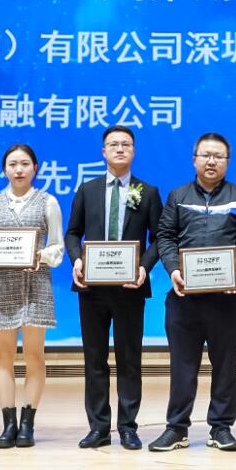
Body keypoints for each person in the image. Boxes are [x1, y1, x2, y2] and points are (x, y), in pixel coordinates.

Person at [150, 133, 236, 453]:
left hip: (227, 298)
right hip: (184, 298)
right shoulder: (178, 195)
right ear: (194, 159)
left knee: (225, 364)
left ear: (227, 161)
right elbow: (165, 237)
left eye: (218, 156)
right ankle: (177, 428)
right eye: (206, 155)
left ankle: (221, 428)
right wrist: (174, 270)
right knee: (182, 366)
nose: (212, 161)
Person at [64, 125, 164, 451]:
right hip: (91, 288)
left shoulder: (148, 192)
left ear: (133, 151)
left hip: (130, 288)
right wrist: (77, 260)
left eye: (126, 144)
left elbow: (159, 238)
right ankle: (99, 428)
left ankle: (128, 427)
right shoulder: (87, 189)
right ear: (103, 152)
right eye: (113, 144)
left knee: (129, 360)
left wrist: (143, 267)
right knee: (94, 359)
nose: (120, 149)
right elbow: (72, 233)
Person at [0, 143, 65, 449]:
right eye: (13, 164)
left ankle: (28, 423)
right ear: (4, 169)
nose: (19, 170)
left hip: (36, 285)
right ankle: (8, 424)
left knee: (34, 355)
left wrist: (39, 255)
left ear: (35, 168)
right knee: (3, 356)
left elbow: (57, 246)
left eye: (25, 164)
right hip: (2, 284)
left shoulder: (48, 202)